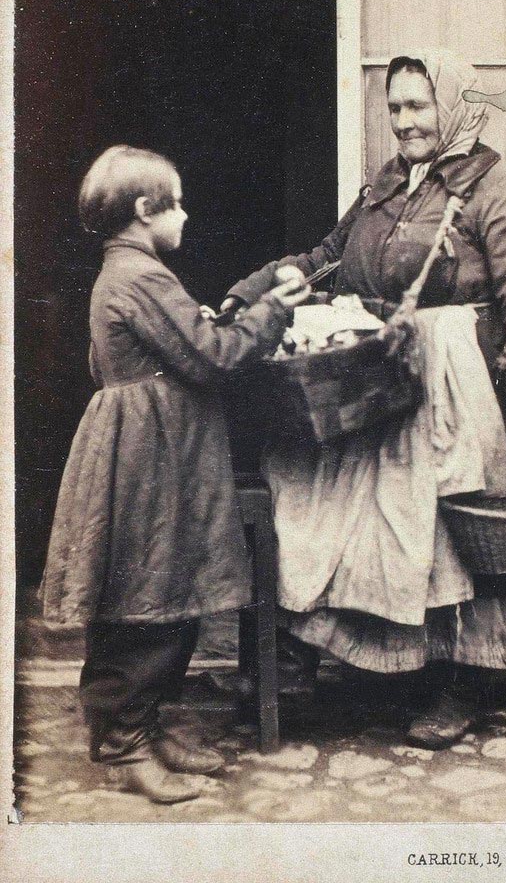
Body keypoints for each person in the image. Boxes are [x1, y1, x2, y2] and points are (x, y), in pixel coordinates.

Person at [220, 49, 506, 748]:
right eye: (396, 108)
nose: (405, 122)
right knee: (316, 493)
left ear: (454, 106)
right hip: (379, 384)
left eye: (418, 105)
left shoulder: (498, 190)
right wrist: (249, 292)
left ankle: (458, 682)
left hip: (458, 393)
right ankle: (318, 659)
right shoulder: (384, 190)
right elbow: (321, 261)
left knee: (446, 533)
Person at [40, 145, 310, 803]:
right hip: (151, 458)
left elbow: (184, 343)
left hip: (154, 451)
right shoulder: (143, 277)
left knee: (158, 592)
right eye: (177, 203)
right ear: (143, 210)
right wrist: (272, 310)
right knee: (147, 600)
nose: (185, 216)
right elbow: (216, 358)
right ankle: (126, 744)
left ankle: (142, 729)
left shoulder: (123, 273)